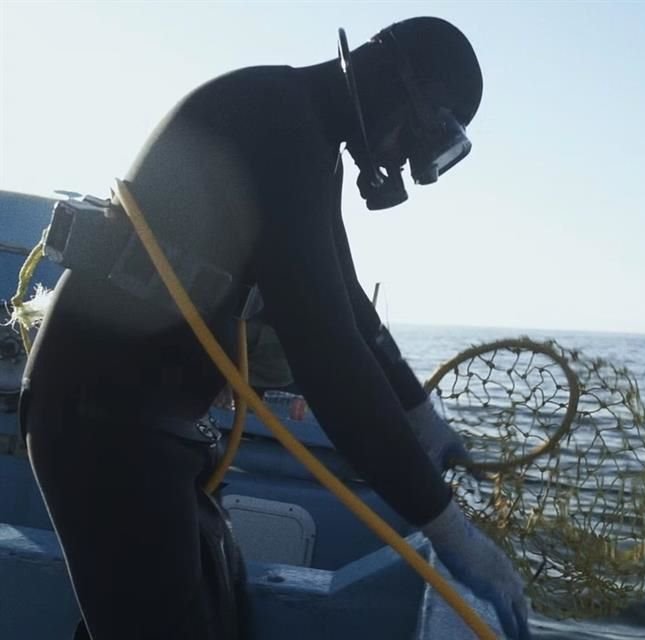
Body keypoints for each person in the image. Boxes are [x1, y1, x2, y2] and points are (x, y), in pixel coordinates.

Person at [21, 17, 529, 640]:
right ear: (392, 81)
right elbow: (330, 360)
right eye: (415, 138)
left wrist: (422, 417)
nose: (400, 160)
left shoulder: (309, 139)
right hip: (102, 421)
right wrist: (452, 532)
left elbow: (349, 305)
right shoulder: (276, 123)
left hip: (158, 429)